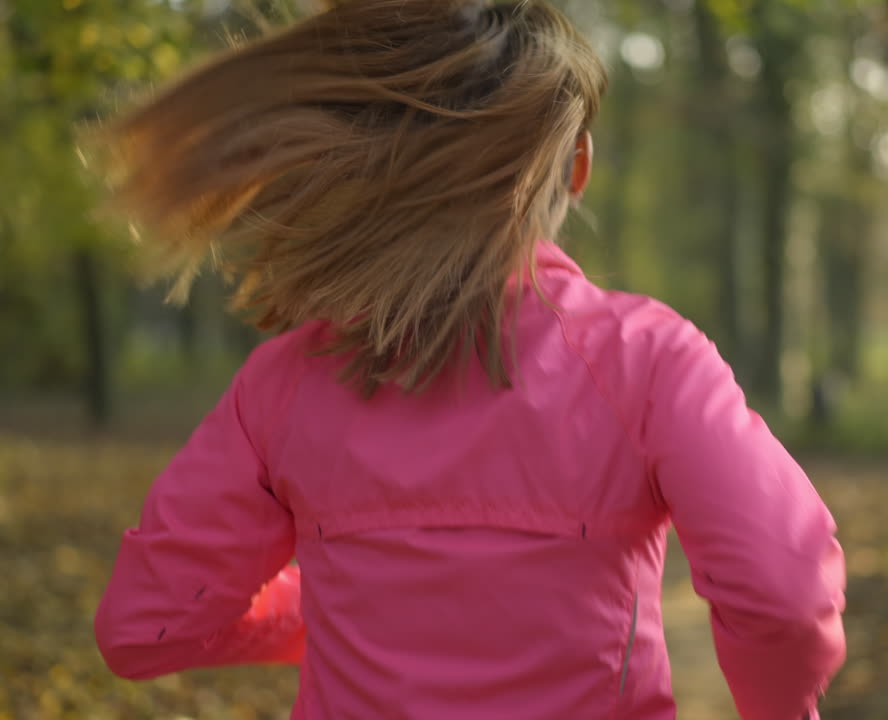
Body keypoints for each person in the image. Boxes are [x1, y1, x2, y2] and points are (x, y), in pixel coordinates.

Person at [92, 2, 846, 718]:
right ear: (577, 165)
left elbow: (146, 625)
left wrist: (328, 614)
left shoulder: (285, 384)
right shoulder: (648, 361)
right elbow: (783, 599)